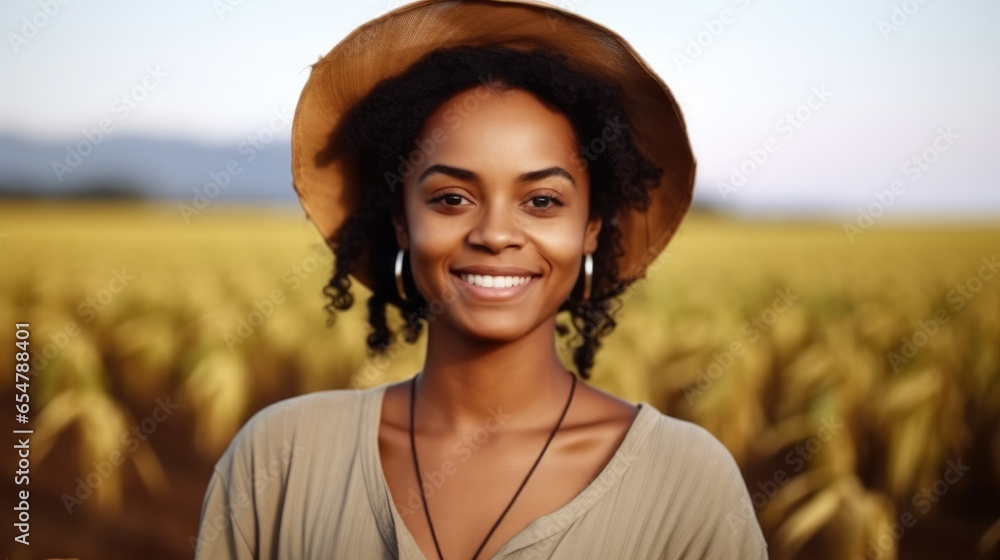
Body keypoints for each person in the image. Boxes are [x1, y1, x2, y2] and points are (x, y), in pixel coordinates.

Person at [194, 1, 768, 558]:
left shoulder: (689, 486)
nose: (495, 234)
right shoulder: (279, 460)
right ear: (401, 221)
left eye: (542, 200)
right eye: (451, 198)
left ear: (591, 228)